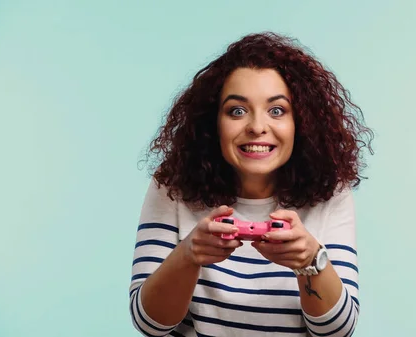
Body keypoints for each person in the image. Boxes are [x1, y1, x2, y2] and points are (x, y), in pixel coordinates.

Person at [129, 32, 374, 337]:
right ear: (212, 122)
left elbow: (336, 332)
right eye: (237, 110)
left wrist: (310, 260)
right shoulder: (173, 187)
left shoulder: (330, 194)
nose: (257, 127)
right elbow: (150, 324)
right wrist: (189, 254)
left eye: (277, 111)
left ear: (301, 123)